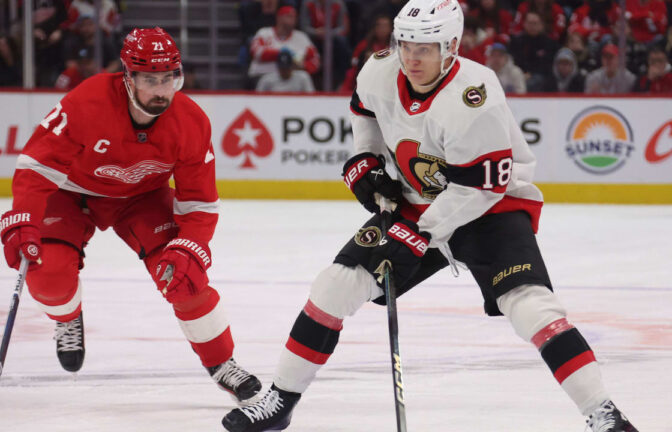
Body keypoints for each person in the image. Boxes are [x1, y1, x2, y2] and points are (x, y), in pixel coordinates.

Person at [221, 0, 639, 431]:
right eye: (405, 45)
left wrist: (421, 233)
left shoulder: (475, 97)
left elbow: (480, 188)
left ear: (451, 47)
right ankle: (280, 399)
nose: (411, 58)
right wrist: (365, 158)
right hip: (415, 202)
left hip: (490, 208)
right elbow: (364, 110)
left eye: (424, 49)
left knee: (531, 306)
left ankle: (603, 413)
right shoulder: (379, 70)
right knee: (334, 285)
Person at [0, 27, 262, 404]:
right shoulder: (87, 101)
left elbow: (199, 203)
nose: (161, 90)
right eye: (150, 80)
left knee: (186, 279)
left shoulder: (191, 121)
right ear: (127, 76)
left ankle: (222, 364)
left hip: (142, 198)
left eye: (168, 78)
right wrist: (24, 218)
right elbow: (38, 165)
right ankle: (67, 316)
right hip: (70, 192)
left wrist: (190, 245)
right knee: (49, 276)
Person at [248, 5, 320, 88]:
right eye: (289, 16)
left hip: (292, 78)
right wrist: (281, 53)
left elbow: (315, 61)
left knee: (304, 77)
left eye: (294, 17)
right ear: (279, 18)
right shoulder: (264, 33)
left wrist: (303, 66)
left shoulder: (302, 37)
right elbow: (256, 52)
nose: (293, 19)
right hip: (263, 75)